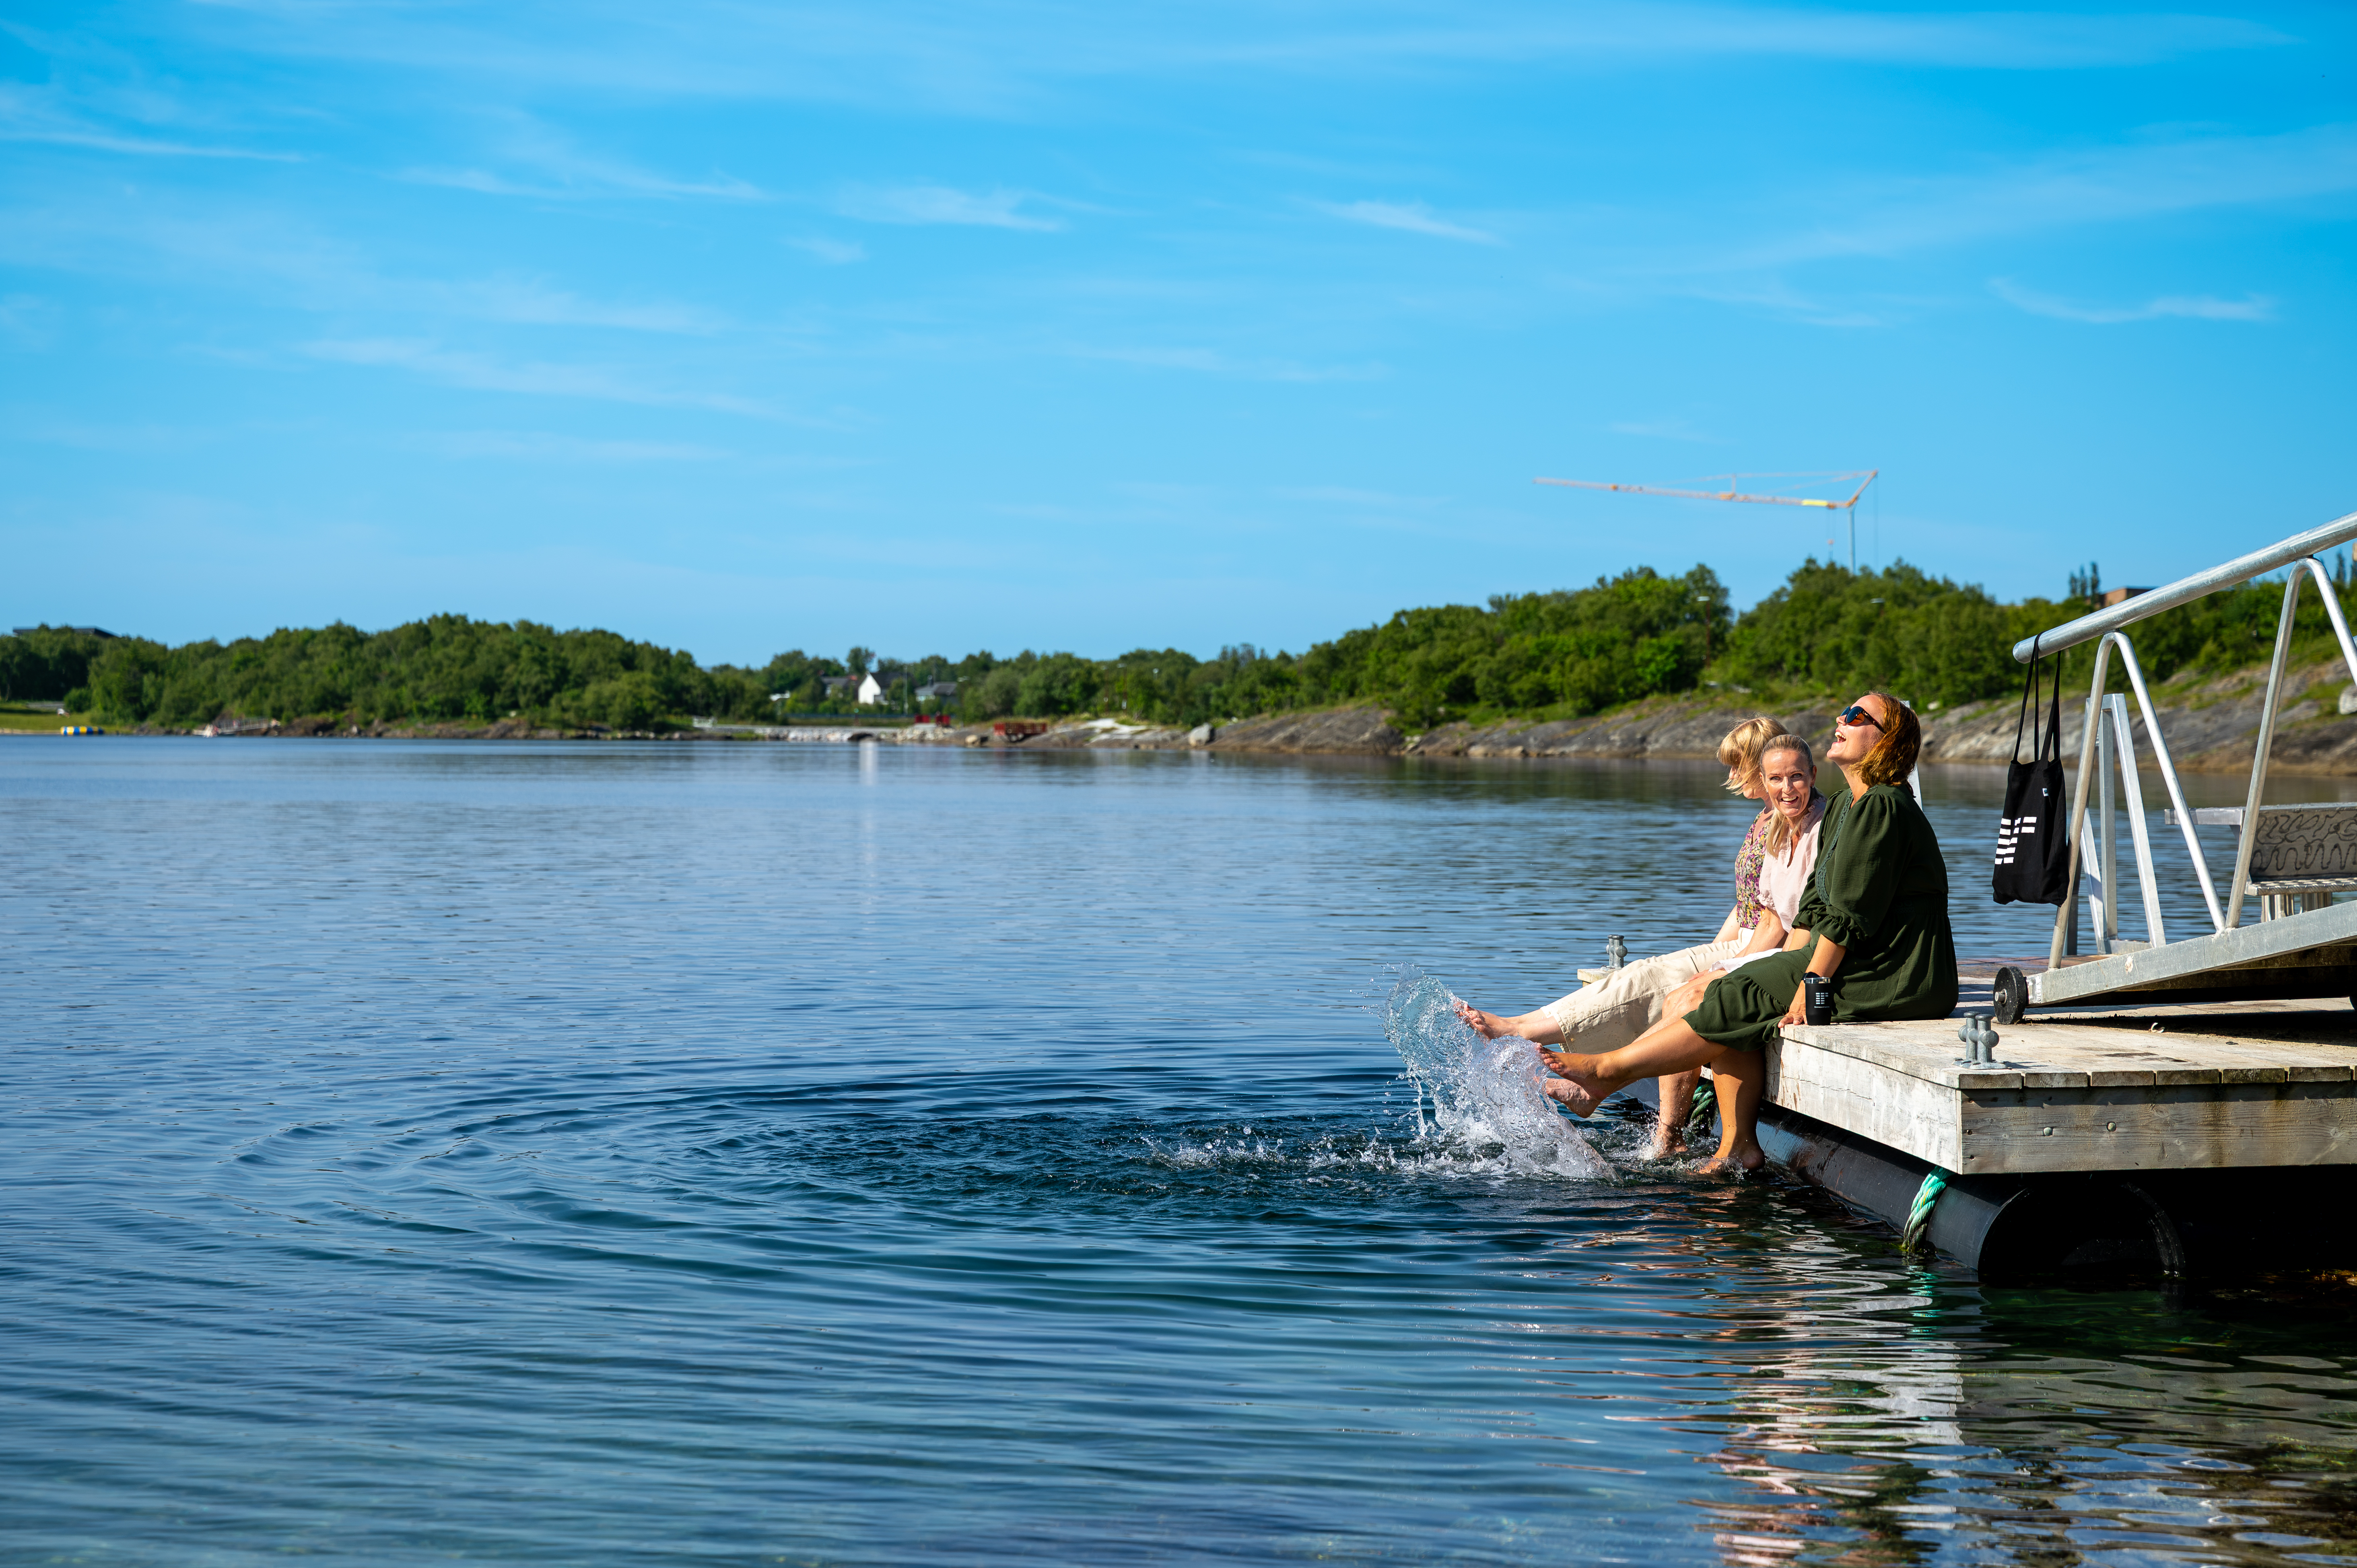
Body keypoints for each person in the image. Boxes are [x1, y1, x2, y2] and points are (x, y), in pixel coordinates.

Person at [1532, 692, 1958, 1175]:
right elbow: (1816, 905)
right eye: (1843, 711)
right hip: (1858, 957)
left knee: (1741, 991)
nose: (1840, 719)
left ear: (1886, 741)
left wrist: (1809, 982)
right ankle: (1737, 1147)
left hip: (1900, 974)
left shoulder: (1882, 805)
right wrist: (1788, 964)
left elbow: (1848, 915)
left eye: (1858, 716)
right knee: (1732, 989)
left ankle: (1608, 1071)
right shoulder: (1845, 806)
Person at [1453, 716, 1804, 1157]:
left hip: (1765, 948)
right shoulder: (1765, 820)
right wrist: (1710, 954)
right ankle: (1646, 1122)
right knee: (1651, 977)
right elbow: (1746, 904)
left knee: (1649, 981)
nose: (1731, 776)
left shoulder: (1791, 822)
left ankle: (1527, 1032)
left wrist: (1723, 966)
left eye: (1737, 765)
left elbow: (1777, 919)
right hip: (1744, 940)